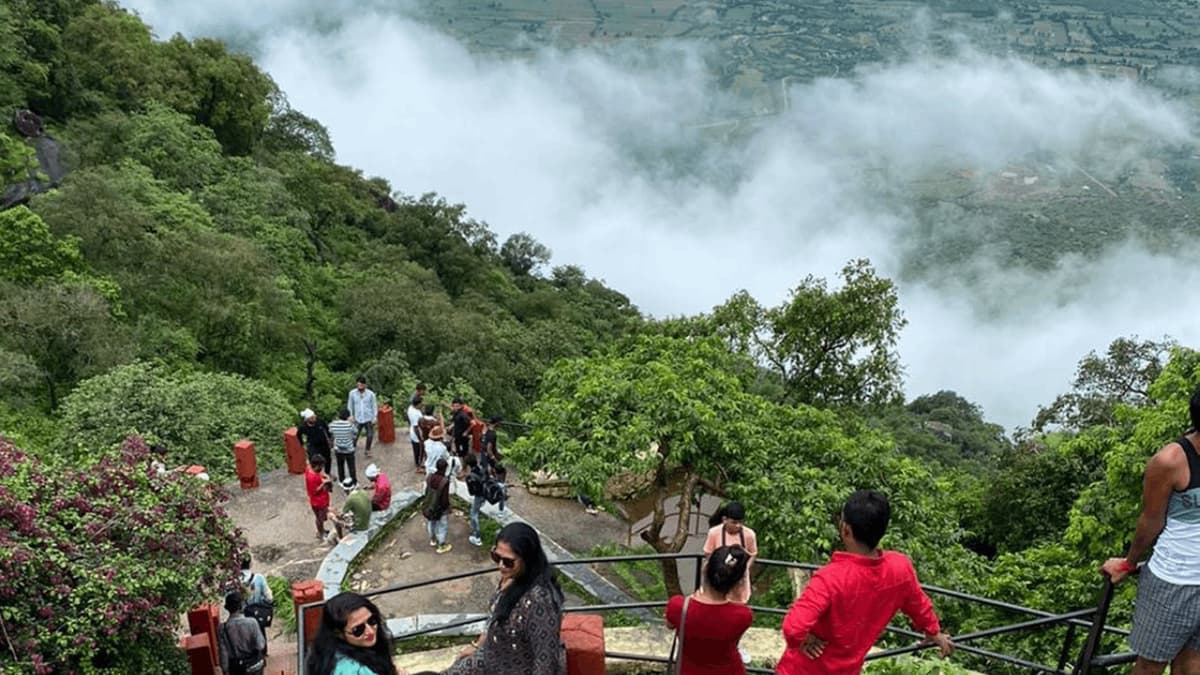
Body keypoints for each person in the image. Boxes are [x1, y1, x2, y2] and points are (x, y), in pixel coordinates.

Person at [777, 490, 954, 675]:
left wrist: (805, 639)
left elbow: (793, 628)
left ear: (845, 529)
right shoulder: (899, 568)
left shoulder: (829, 579)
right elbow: (918, 604)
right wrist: (933, 632)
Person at [1101, 385, 1200, 675]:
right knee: (1150, 665)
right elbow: (1151, 519)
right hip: (1174, 580)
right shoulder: (1171, 461)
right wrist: (1129, 562)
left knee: (1193, 662)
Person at [446, 523, 567, 675]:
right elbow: (495, 616)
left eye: (508, 561)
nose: (501, 566)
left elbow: (545, 663)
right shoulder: (513, 577)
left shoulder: (540, 602)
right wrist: (477, 646)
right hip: (492, 657)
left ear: (527, 559)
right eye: (496, 557)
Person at [666, 545, 755, 675]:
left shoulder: (678, 606)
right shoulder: (743, 615)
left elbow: (670, 625)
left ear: (705, 567)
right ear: (738, 581)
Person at [306, 592, 401, 675]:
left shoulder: (327, 651)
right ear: (339, 634)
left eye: (372, 620)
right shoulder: (352, 670)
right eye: (358, 630)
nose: (370, 631)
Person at [703, 502, 758, 604]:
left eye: (741, 522)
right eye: (734, 522)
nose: (738, 526)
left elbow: (753, 554)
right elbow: (708, 553)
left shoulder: (749, 535)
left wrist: (745, 569)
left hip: (739, 578)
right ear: (724, 520)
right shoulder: (714, 533)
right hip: (720, 577)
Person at [218, 591, 266, 675]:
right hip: (254, 666)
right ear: (241, 606)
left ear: (227, 608)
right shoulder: (252, 622)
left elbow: (223, 653)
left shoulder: (222, 628)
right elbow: (260, 645)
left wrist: (225, 670)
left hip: (236, 668)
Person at [306, 454, 343, 543]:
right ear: (316, 465)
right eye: (321, 466)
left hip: (322, 500)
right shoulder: (312, 477)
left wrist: (324, 476)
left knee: (320, 518)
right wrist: (324, 483)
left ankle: (321, 530)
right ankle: (321, 533)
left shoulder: (309, 469)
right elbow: (314, 491)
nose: (322, 468)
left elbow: (320, 474)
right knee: (320, 519)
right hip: (318, 502)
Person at [240, 556, 274, 646]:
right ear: (250, 564)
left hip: (241, 618)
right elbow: (269, 597)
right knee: (261, 638)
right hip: (257, 615)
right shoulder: (259, 578)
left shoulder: (234, 581)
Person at [425, 457, 453, 554]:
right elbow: (444, 499)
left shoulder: (429, 477)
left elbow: (427, 491)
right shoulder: (444, 481)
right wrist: (448, 508)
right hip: (440, 508)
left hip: (430, 505)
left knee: (431, 523)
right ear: (445, 468)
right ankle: (441, 545)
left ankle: (433, 540)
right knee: (442, 526)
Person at [347, 376, 378, 457]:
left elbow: (374, 406)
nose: (359, 387)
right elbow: (350, 405)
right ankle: (352, 449)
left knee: (370, 435)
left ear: (365, 385)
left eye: (361, 385)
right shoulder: (352, 393)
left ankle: (367, 450)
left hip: (368, 417)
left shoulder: (371, 394)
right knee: (354, 435)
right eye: (358, 385)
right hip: (357, 418)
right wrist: (350, 416)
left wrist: (374, 417)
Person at [297, 409, 333, 475]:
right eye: (312, 418)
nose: (314, 418)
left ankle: (327, 473)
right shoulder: (303, 427)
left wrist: (330, 439)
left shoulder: (320, 421)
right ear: (307, 419)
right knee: (314, 460)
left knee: (328, 459)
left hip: (323, 443)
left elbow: (327, 429)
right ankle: (316, 474)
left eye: (314, 417)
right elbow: (298, 435)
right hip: (312, 445)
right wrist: (302, 444)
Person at [464, 453, 489, 547]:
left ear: (468, 464)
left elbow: (471, 493)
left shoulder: (470, 477)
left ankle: (477, 536)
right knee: (475, 512)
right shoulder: (483, 469)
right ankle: (475, 531)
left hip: (478, 496)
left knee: (474, 514)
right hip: (485, 494)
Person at [330, 408, 358, 489]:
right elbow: (355, 432)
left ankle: (341, 481)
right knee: (351, 466)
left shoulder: (333, 424)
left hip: (338, 449)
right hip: (349, 449)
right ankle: (354, 482)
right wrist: (352, 422)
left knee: (340, 465)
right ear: (348, 416)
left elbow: (330, 431)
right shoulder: (350, 425)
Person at [408, 396, 426, 472]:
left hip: (413, 431)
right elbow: (416, 427)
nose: (422, 404)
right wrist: (420, 438)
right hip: (416, 434)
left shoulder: (411, 408)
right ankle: (418, 466)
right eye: (421, 403)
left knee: (416, 450)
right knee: (419, 451)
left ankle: (418, 464)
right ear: (418, 404)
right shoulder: (415, 413)